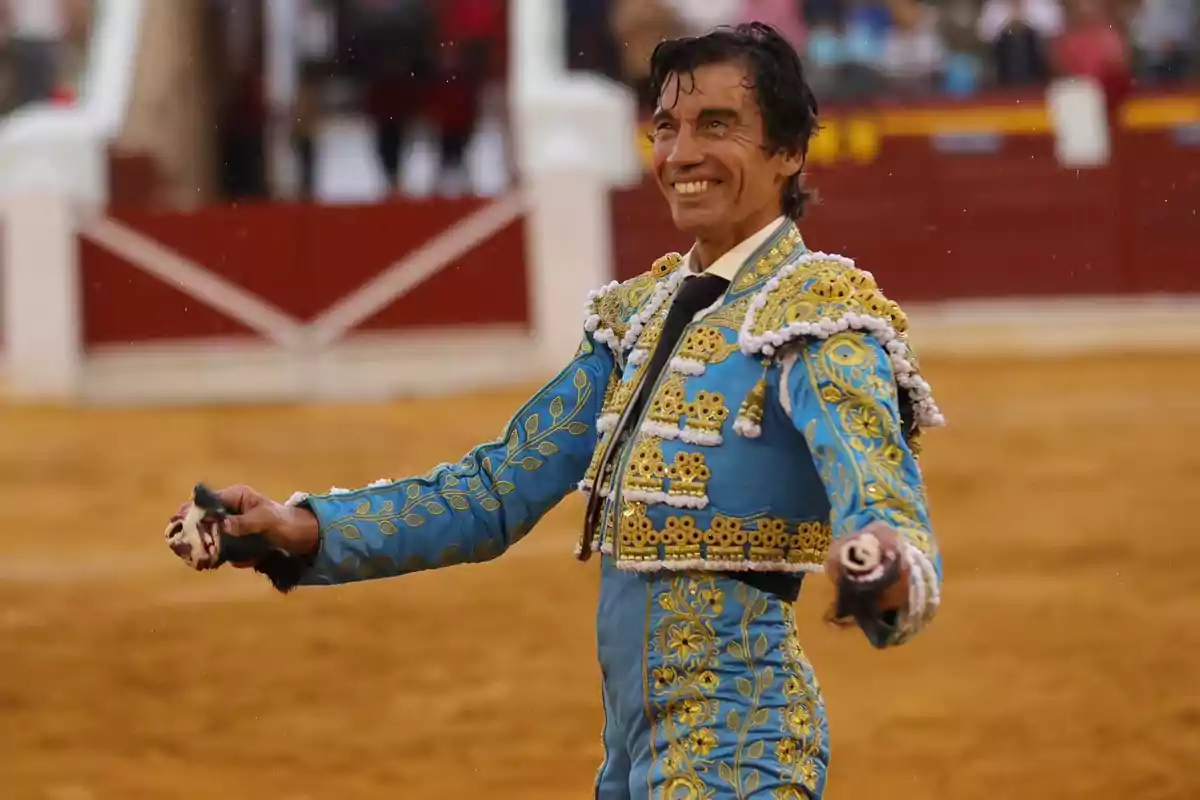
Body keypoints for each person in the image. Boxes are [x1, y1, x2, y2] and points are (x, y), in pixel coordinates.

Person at [166, 23, 945, 799]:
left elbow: (881, 495)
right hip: (633, 761)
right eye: (665, 128)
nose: (680, 155)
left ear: (788, 151)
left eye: (718, 126)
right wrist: (301, 529)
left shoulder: (819, 321)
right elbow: (493, 491)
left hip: (743, 753)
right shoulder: (635, 318)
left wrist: (882, 562)